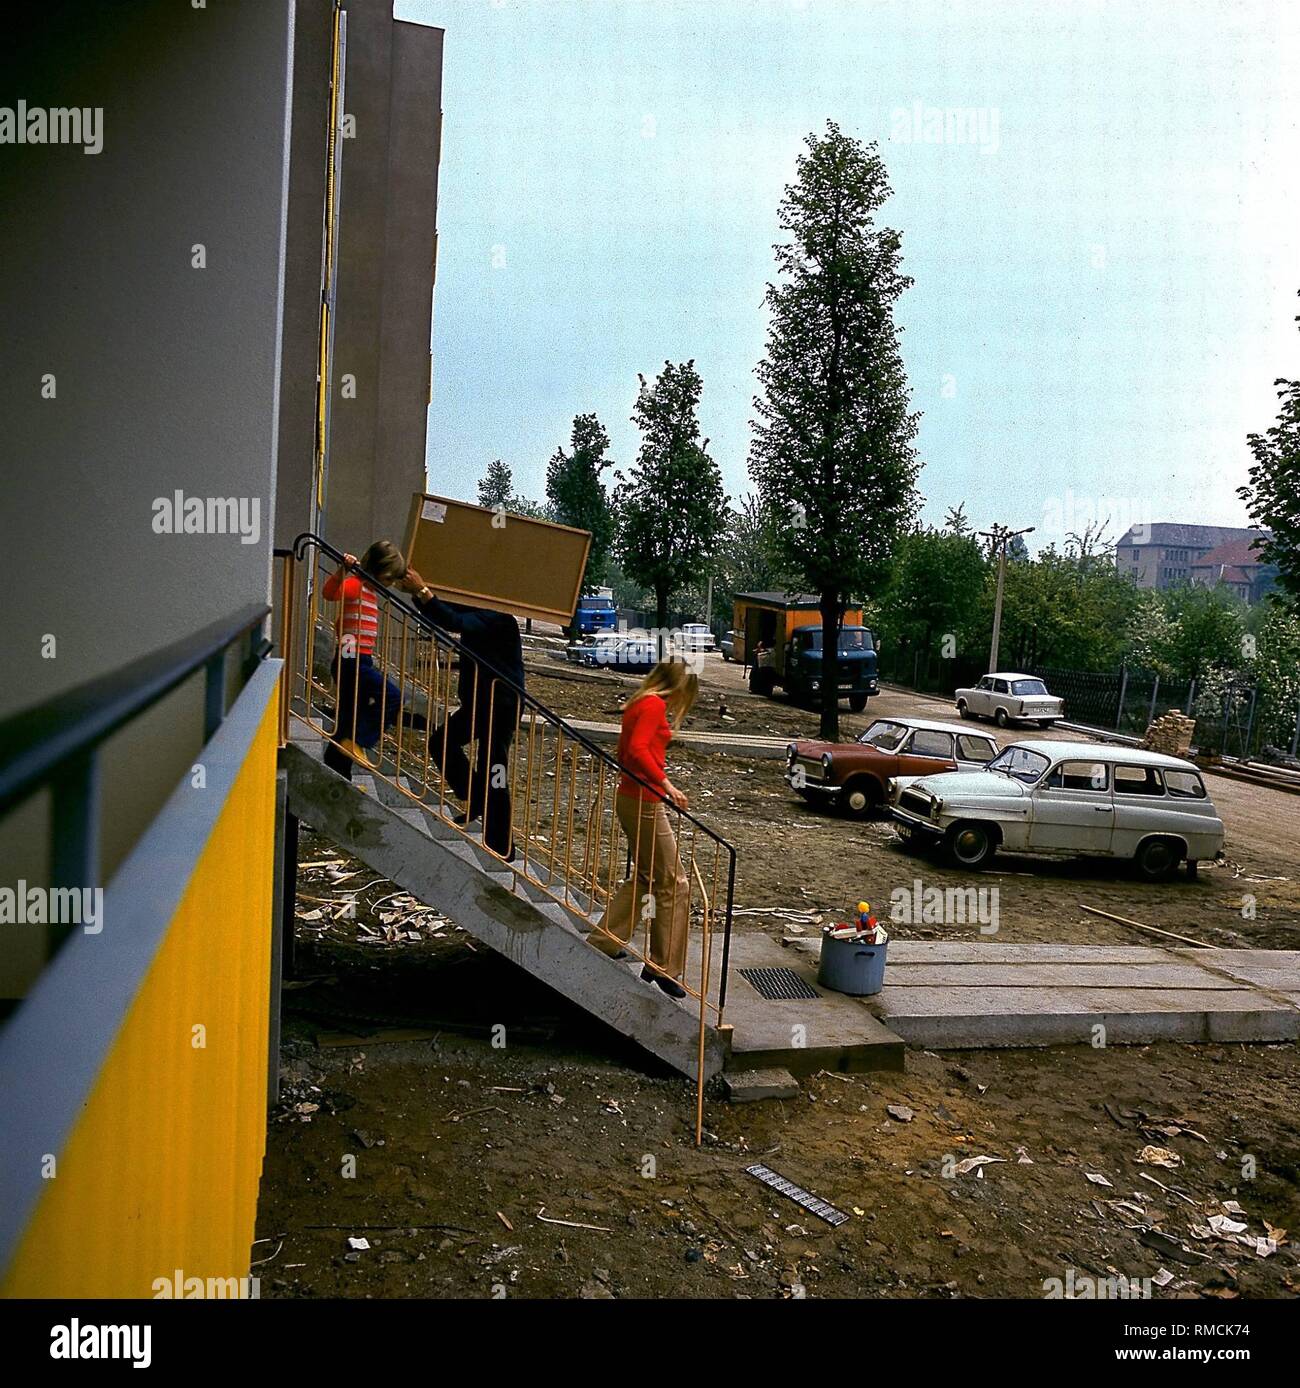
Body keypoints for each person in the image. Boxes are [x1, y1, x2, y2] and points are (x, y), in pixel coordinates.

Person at [588, 659, 699, 999]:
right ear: (679, 685)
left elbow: (631, 750)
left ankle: (605, 939)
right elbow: (635, 750)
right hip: (644, 802)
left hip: (635, 798)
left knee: (647, 878)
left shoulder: (641, 701)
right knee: (674, 882)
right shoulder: (653, 704)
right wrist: (667, 785)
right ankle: (663, 966)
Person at [401, 565, 524, 860]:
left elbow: (454, 620)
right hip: (481, 703)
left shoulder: (497, 615)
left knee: (495, 770)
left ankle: (502, 846)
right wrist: (418, 594)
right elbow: (444, 613)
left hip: (502, 704)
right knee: (442, 742)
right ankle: (476, 797)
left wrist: (422, 590)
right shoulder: (478, 607)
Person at [321, 541, 407, 781]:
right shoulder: (355, 586)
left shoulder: (370, 592)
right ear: (379, 572)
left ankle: (338, 765)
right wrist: (342, 571)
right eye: (389, 579)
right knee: (392, 696)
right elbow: (329, 594)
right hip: (351, 659)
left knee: (349, 715)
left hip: (361, 659)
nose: (389, 585)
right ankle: (359, 740)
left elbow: (346, 623)